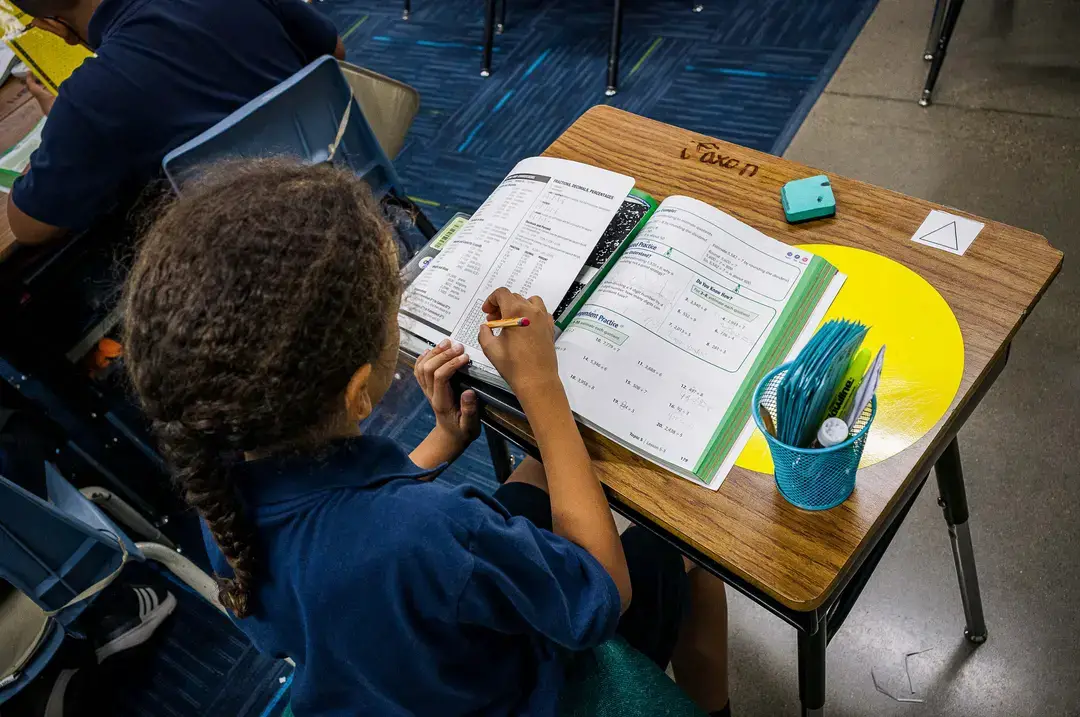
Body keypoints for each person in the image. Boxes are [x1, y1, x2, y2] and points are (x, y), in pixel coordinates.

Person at [120, 158, 731, 717]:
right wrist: (542, 389)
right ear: (360, 391)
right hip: (524, 693)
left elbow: (340, 533)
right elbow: (604, 593)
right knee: (679, 547)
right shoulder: (434, 531)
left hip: (408, 676)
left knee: (531, 474)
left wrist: (440, 443)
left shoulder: (220, 499)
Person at [5, 0, 345, 248]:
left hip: (254, 256)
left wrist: (59, 129)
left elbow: (30, 226)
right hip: (346, 192)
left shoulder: (90, 97)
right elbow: (335, 51)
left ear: (52, 26)